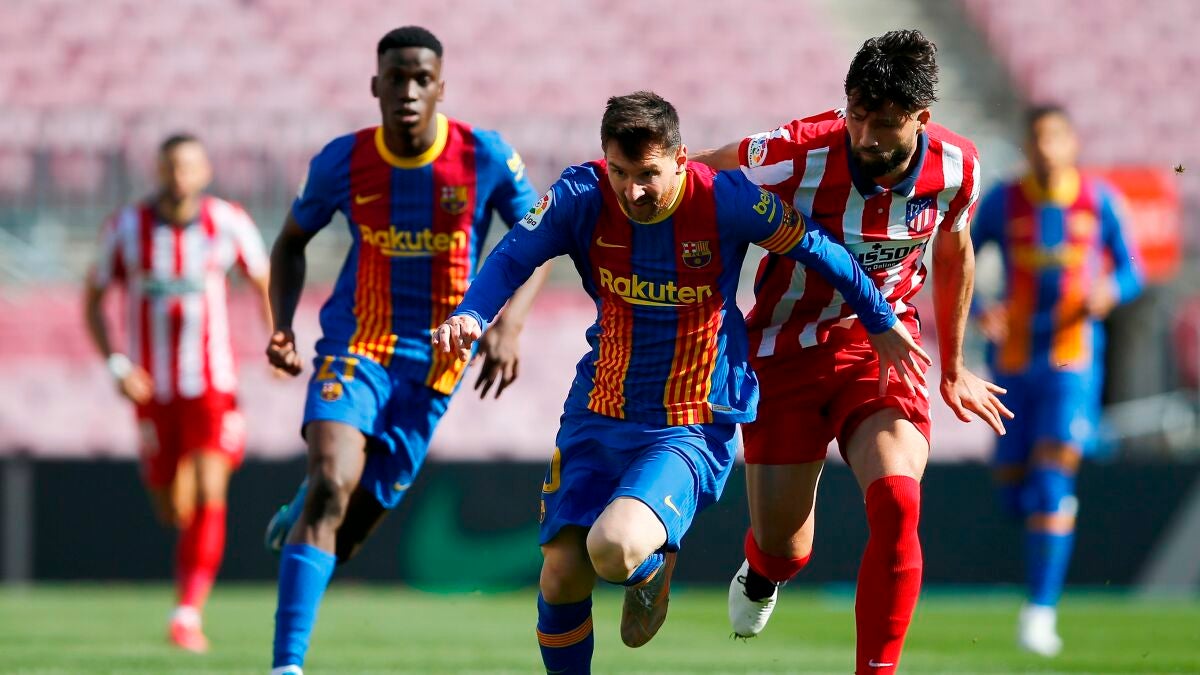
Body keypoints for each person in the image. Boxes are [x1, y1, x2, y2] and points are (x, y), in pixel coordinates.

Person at [434, 90, 928, 675]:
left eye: (648, 175)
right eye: (620, 172)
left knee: (613, 547)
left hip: (687, 421)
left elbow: (822, 250)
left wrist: (880, 319)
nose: (632, 191)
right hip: (598, 410)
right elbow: (514, 255)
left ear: (680, 159)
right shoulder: (580, 196)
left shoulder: (725, 199)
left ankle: (651, 568)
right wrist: (471, 314)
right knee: (561, 575)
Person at [692, 29, 1012, 674]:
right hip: (784, 349)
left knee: (897, 500)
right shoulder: (795, 152)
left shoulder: (959, 168)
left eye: (885, 123)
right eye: (857, 115)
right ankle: (764, 570)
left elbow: (954, 250)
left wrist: (953, 365)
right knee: (785, 549)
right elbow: (695, 176)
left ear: (921, 118)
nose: (865, 136)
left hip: (882, 349)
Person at [263, 26, 548, 675]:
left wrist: (508, 326)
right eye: (397, 78)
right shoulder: (343, 161)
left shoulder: (483, 155)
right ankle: (286, 665)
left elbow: (538, 238)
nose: (409, 91)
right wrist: (282, 327)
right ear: (376, 86)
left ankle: (302, 507)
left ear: (441, 86)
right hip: (356, 345)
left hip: (438, 361)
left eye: (422, 79)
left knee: (347, 530)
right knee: (331, 486)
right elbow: (290, 241)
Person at [83, 133, 272, 652]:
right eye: (171, 166)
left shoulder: (228, 222)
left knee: (211, 488)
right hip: (152, 389)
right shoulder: (126, 228)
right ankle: (188, 565)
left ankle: (186, 613)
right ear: (158, 171)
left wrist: (276, 339)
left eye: (188, 166)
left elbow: (264, 283)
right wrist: (117, 365)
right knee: (171, 508)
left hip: (212, 385)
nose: (179, 176)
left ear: (205, 172)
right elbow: (93, 299)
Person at [972, 104, 1142, 657]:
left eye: (1055, 138)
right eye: (1037, 139)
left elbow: (1133, 268)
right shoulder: (1003, 201)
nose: (1046, 149)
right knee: (1013, 490)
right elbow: (960, 257)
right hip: (1013, 362)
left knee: (1050, 481)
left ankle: (1040, 613)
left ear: (1072, 144)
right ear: (1027, 147)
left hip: (1072, 362)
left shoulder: (1100, 200)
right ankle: (1047, 518)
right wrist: (980, 308)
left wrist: (1111, 290)